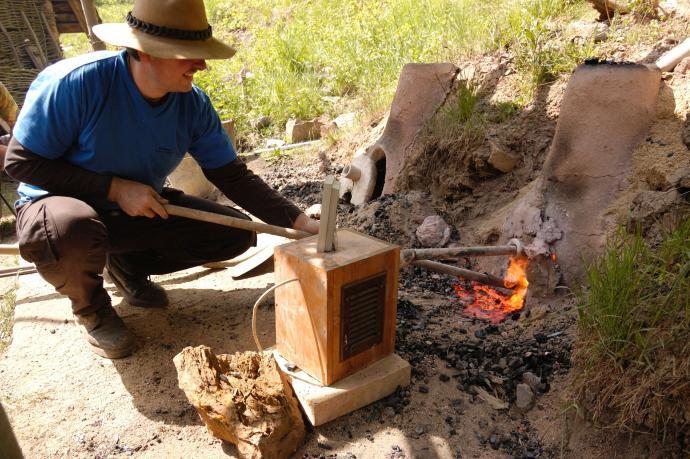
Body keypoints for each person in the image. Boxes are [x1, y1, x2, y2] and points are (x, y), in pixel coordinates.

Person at [3, 0, 319, 359]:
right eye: (189, 54)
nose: (201, 64)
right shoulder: (75, 84)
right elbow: (20, 163)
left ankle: (126, 265)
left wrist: (297, 221)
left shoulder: (192, 104)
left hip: (131, 210)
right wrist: (114, 188)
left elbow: (231, 175)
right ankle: (91, 309)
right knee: (69, 229)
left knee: (235, 233)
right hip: (54, 206)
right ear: (146, 52)